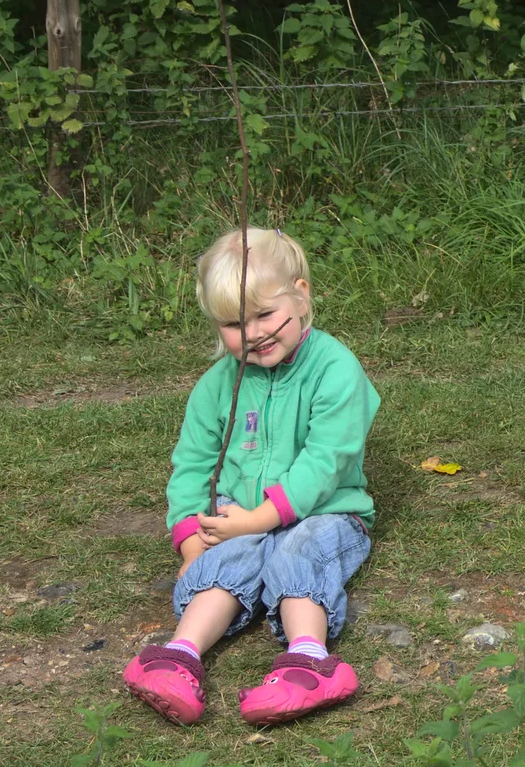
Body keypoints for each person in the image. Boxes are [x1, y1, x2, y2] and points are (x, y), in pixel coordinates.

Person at [122, 227, 380, 725]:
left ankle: (309, 659)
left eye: (265, 314)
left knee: (299, 551)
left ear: (301, 297)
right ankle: (180, 657)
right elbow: (193, 465)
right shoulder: (217, 384)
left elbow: (324, 464)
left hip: (327, 511)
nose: (255, 332)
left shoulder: (336, 369)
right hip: (238, 516)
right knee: (228, 562)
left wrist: (258, 519)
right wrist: (193, 544)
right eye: (235, 323)